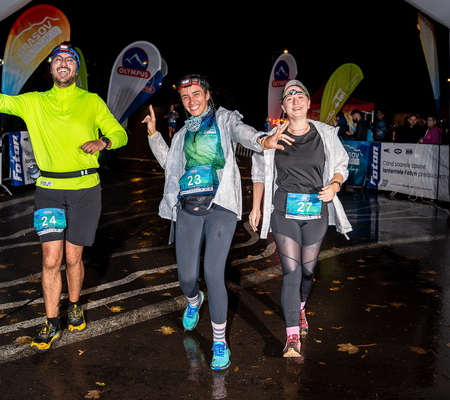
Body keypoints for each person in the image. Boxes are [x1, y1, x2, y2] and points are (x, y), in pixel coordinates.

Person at [0, 42, 128, 352]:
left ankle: (75, 305)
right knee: (51, 259)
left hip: (86, 190)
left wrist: (104, 142)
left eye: (69, 59)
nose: (63, 63)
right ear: (51, 68)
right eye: (58, 59)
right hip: (49, 191)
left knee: (73, 258)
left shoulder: (91, 101)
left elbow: (120, 134)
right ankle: (52, 322)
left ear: (76, 69)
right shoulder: (35, 102)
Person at [141, 74, 281, 370]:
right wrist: (154, 134)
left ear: (207, 95)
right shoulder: (182, 134)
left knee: (213, 272)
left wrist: (262, 140)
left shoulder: (224, 119)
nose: (191, 100)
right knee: (186, 278)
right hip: (188, 207)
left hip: (221, 205)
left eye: (196, 94)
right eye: (185, 97)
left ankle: (219, 343)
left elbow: (243, 132)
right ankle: (194, 300)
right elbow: (169, 164)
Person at [249, 80, 352, 358]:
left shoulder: (325, 134)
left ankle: (300, 306)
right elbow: (259, 173)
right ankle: (292, 337)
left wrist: (335, 185)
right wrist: (256, 208)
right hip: (284, 210)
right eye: (289, 97)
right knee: (292, 272)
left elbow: (341, 164)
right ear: (283, 107)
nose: (295, 100)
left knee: (308, 271)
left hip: (316, 210)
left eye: (300, 96)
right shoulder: (272, 136)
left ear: (308, 103)